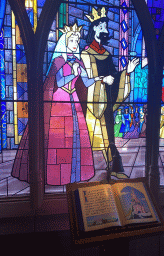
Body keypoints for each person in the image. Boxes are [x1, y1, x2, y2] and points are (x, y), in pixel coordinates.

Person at [12, 23, 101, 185]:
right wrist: (72, 73)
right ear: (65, 42)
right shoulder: (59, 61)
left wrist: (100, 78)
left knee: (75, 138)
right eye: (73, 40)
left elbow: (86, 82)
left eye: (77, 40)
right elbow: (59, 82)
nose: (76, 44)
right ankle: (56, 175)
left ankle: (74, 174)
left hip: (73, 100)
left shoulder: (78, 62)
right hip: (59, 101)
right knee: (58, 140)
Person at [81, 7, 139, 163]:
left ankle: (112, 167)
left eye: (106, 27)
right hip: (93, 103)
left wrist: (127, 71)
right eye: (102, 27)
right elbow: (88, 79)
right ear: (94, 29)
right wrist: (102, 80)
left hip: (106, 100)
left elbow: (114, 76)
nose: (105, 30)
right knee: (95, 138)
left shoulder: (106, 54)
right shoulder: (86, 54)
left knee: (109, 137)